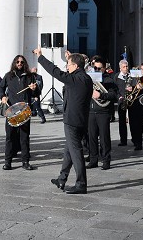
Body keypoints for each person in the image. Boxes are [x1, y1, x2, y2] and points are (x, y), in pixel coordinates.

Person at [36, 47, 93, 194]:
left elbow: (54, 71)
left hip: (72, 121)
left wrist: (41, 57)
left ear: (76, 66)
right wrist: (70, 57)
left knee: (76, 152)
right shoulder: (86, 78)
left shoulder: (74, 79)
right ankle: (62, 178)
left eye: (69, 64)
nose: (67, 67)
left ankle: (81, 184)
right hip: (81, 120)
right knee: (69, 150)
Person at [0, 56, 39, 171]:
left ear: (24, 63)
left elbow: (37, 92)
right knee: (9, 137)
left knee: (24, 137)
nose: (19, 63)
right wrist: (2, 96)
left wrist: (34, 88)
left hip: (24, 110)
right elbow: (0, 88)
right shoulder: (9, 75)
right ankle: (8, 162)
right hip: (11, 110)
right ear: (14, 63)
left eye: (21, 62)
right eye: (17, 62)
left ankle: (25, 161)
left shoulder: (30, 76)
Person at [87, 57, 118, 170]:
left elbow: (113, 96)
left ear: (104, 68)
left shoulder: (109, 80)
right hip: (91, 111)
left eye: (99, 68)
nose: (96, 70)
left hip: (103, 112)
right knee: (92, 137)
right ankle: (93, 160)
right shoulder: (89, 79)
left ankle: (106, 160)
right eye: (95, 67)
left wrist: (101, 95)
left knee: (104, 138)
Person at [115, 59, 131, 146]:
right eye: (124, 67)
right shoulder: (117, 77)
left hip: (131, 100)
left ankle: (136, 140)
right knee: (122, 121)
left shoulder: (131, 76)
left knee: (133, 120)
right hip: (122, 101)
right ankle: (123, 140)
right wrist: (119, 97)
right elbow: (115, 89)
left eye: (126, 66)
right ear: (120, 68)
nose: (126, 68)